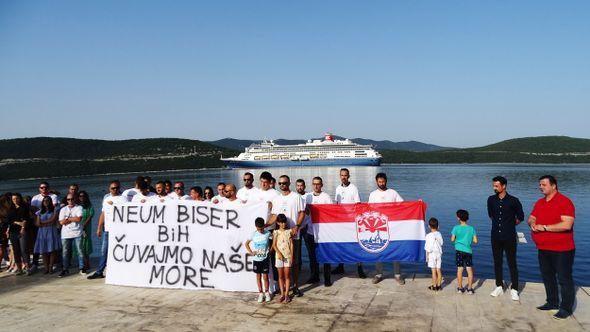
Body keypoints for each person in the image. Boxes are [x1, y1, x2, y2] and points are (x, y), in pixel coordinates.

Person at [528, 175, 576, 320]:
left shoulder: (564, 202)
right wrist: (532, 224)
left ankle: (566, 309)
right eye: (540, 184)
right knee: (547, 277)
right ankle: (552, 302)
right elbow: (532, 217)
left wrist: (544, 228)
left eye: (543, 184)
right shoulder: (540, 202)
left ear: (553, 186)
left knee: (564, 279)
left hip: (562, 249)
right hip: (543, 248)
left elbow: (567, 224)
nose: (540, 187)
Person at [267, 175, 305, 297]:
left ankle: (295, 286)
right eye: (280, 183)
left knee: (294, 261)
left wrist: (297, 226)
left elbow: (302, 213)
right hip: (280, 237)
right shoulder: (276, 199)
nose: (282, 185)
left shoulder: (296, 197)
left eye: (284, 183)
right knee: (280, 261)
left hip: (293, 235)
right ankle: (283, 288)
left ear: (289, 183)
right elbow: (274, 216)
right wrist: (266, 224)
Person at [487, 176, 524, 301]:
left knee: (512, 263)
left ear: (504, 186)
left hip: (509, 237)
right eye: (493, 185)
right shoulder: (491, 200)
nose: (494, 188)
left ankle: (514, 289)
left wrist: (509, 225)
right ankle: (499, 286)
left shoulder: (514, 200)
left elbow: (520, 217)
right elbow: (491, 215)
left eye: (496, 186)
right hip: (495, 236)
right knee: (497, 262)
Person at [370, 172, 404, 285]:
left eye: (383, 181)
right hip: (379, 228)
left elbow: (403, 205)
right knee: (379, 250)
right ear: (376, 182)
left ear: (386, 181)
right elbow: (369, 211)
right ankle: (379, 274)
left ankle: (397, 274)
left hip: (393, 226)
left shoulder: (393, 193)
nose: (381, 184)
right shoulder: (373, 194)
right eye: (379, 182)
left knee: (395, 250)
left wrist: (417, 204)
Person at [88, 180, 127, 279]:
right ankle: (99, 271)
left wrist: (114, 205)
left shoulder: (124, 199)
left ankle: (120, 271)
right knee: (104, 251)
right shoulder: (106, 199)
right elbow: (103, 214)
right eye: (113, 188)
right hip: (108, 229)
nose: (115, 190)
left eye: (117, 188)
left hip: (120, 230)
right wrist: (99, 227)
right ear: (109, 189)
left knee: (120, 250)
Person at [333, 168, 366, 278]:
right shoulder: (337, 188)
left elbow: (358, 205)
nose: (344, 177)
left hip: (352, 222)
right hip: (341, 222)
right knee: (341, 244)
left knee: (356, 245)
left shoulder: (353, 188)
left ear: (349, 176)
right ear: (339, 176)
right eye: (342, 175)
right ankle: (340, 266)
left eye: (345, 175)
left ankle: (360, 268)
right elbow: (336, 205)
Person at [303, 176, 333, 286]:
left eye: (318, 184)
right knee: (312, 255)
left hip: (323, 232)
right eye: (314, 184)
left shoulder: (326, 197)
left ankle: (327, 278)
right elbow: (304, 212)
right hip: (310, 230)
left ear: (321, 185)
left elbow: (330, 214)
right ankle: (314, 276)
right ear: (312, 185)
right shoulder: (308, 197)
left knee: (325, 255)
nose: (316, 186)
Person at [245, 217, 272, 303]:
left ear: (264, 226)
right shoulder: (253, 234)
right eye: (259, 229)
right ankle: (260, 293)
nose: (260, 230)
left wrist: (271, 250)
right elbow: (246, 244)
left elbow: (274, 240)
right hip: (257, 259)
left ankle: (267, 292)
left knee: (265, 276)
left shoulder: (268, 233)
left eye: (262, 228)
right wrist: (251, 252)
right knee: (258, 276)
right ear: (256, 227)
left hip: (265, 258)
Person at [58, 193, 85, 277]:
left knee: (80, 251)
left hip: (77, 232)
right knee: (65, 252)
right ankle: (65, 269)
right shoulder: (63, 209)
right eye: (68, 199)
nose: (70, 201)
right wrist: (73, 219)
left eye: (72, 199)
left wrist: (67, 219)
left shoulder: (79, 207)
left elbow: (79, 218)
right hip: (66, 234)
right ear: (66, 200)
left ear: (75, 199)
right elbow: (61, 222)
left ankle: (82, 268)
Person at [451, 209, 478, 294]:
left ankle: (460, 288)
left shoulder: (456, 228)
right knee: (469, 270)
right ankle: (470, 289)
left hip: (459, 250)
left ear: (458, 218)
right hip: (468, 251)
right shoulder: (471, 228)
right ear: (467, 218)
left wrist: (457, 239)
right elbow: (475, 241)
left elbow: (452, 239)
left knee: (460, 269)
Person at [34, 196, 61, 274]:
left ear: (50, 201)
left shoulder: (54, 210)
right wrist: (44, 223)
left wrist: (42, 223)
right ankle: (46, 268)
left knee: (52, 250)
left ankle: (50, 267)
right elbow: (37, 223)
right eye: (44, 200)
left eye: (48, 200)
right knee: (43, 250)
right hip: (42, 232)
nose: (46, 202)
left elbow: (53, 220)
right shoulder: (39, 212)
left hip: (51, 230)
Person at [8, 193, 31, 275]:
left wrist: (23, 228)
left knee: (24, 249)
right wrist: (18, 222)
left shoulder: (24, 208)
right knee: (16, 250)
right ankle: (19, 269)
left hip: (22, 231)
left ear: (20, 199)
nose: (15, 200)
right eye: (13, 199)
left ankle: (27, 268)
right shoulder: (10, 208)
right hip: (13, 232)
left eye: (17, 198)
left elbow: (26, 219)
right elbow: (9, 221)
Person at [272, 214, 293, 304]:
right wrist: (279, 253)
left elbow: (291, 244)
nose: (283, 224)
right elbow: (274, 245)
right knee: (280, 276)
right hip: (279, 257)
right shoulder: (276, 232)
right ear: (278, 223)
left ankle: (287, 294)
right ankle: (282, 294)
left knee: (287, 276)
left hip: (287, 256)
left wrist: (292, 256)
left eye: (284, 222)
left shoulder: (289, 231)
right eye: (281, 222)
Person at [425, 217, 443, 291]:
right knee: (438, 270)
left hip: (432, 254)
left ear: (429, 226)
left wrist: (427, 257)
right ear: (438, 226)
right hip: (439, 254)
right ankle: (439, 285)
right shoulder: (439, 234)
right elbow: (441, 243)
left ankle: (434, 286)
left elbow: (427, 248)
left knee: (433, 271)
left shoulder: (428, 235)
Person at [77, 191, 94, 271]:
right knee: (79, 246)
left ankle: (87, 263)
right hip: (77, 228)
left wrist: (84, 225)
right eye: (80, 196)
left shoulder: (89, 206)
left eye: (83, 196)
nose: (81, 197)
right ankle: (82, 263)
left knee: (85, 246)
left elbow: (91, 215)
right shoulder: (77, 206)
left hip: (86, 229)